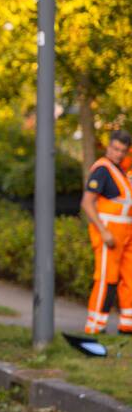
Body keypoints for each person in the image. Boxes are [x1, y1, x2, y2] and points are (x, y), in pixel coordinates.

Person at [81, 129, 132, 334]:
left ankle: (127, 325)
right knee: (106, 279)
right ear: (109, 146)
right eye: (115, 148)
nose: (118, 153)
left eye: (122, 150)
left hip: (126, 232)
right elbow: (87, 203)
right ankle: (95, 327)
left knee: (129, 278)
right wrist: (103, 232)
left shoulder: (120, 170)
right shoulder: (102, 169)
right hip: (109, 231)